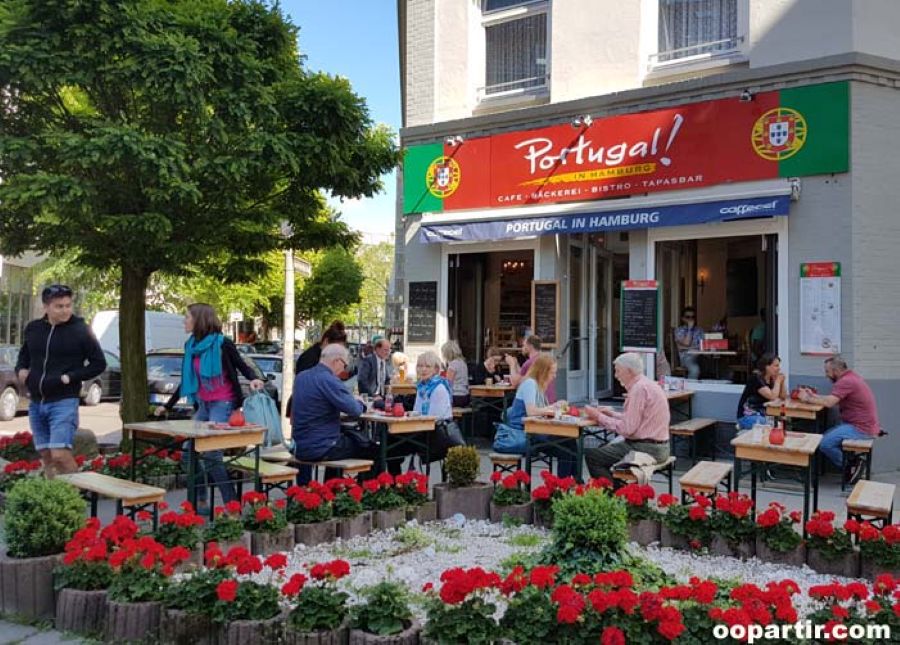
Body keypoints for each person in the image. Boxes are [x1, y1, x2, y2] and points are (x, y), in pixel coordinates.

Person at [154, 303, 264, 506]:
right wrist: (168, 406)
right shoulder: (191, 345)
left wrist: (254, 378)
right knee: (188, 454)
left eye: (187, 317)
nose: (184, 321)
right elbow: (188, 380)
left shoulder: (222, 343)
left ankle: (231, 504)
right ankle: (201, 500)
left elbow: (240, 364)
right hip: (203, 404)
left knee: (212, 454)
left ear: (199, 320)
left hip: (223, 403)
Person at [16, 284, 107, 477]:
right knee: (47, 455)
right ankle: (54, 493)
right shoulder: (34, 329)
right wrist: (21, 369)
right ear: (46, 307)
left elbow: (99, 363)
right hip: (36, 401)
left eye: (68, 305)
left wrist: (70, 377)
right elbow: (24, 355)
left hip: (64, 401)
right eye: (59, 306)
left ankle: (76, 494)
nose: (65, 310)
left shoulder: (81, 330)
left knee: (60, 454)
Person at [291, 343, 374, 483]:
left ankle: (327, 489)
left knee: (342, 443)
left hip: (299, 446)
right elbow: (355, 410)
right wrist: (361, 403)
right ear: (337, 361)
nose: (344, 370)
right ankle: (365, 491)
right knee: (372, 449)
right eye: (344, 365)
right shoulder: (328, 379)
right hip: (322, 446)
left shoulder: (301, 377)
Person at [584, 353, 671, 481]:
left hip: (647, 448)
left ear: (629, 371)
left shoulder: (638, 389)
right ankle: (618, 488)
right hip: (660, 447)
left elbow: (627, 429)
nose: (616, 375)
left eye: (618, 371)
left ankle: (615, 491)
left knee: (593, 456)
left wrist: (598, 416)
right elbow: (639, 419)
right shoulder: (648, 384)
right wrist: (612, 414)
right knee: (604, 449)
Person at [798, 356, 881, 482]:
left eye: (827, 371)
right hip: (863, 425)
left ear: (836, 371)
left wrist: (807, 399)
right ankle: (852, 464)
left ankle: (850, 466)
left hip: (861, 428)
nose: (826, 375)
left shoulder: (845, 382)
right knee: (826, 436)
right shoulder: (851, 377)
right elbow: (833, 398)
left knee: (824, 443)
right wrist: (814, 396)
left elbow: (830, 403)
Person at [502, 354, 577, 477]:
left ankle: (576, 481)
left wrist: (555, 406)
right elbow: (531, 411)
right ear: (543, 372)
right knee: (566, 450)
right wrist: (552, 410)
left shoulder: (538, 385)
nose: (554, 376)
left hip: (535, 430)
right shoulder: (530, 384)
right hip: (524, 433)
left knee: (571, 441)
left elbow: (541, 409)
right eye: (552, 372)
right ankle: (563, 484)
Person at [736, 353, 787, 429]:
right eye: (776, 366)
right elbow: (772, 396)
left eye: (779, 366)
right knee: (776, 425)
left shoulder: (771, 379)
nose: (779, 368)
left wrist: (782, 382)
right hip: (748, 416)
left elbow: (783, 396)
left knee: (782, 421)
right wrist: (778, 381)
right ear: (767, 366)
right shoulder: (756, 378)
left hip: (763, 414)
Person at [508, 335, 556, 403]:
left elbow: (515, 382)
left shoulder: (530, 362)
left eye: (524, 345)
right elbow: (523, 376)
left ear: (530, 346)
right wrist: (516, 364)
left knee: (510, 409)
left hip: (538, 402)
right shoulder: (544, 359)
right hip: (550, 399)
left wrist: (511, 364)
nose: (522, 348)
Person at [674, 306, 704, 379]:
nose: (690, 319)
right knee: (695, 370)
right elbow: (686, 343)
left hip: (701, 356)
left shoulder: (699, 330)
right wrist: (690, 329)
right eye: (688, 317)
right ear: (683, 318)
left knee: (718, 366)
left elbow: (703, 346)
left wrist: (687, 347)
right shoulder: (679, 330)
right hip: (687, 357)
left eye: (692, 317)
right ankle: (690, 386)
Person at [441, 340, 470, 407]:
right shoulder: (462, 363)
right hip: (465, 396)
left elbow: (448, 383)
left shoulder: (453, 364)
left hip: (455, 396)